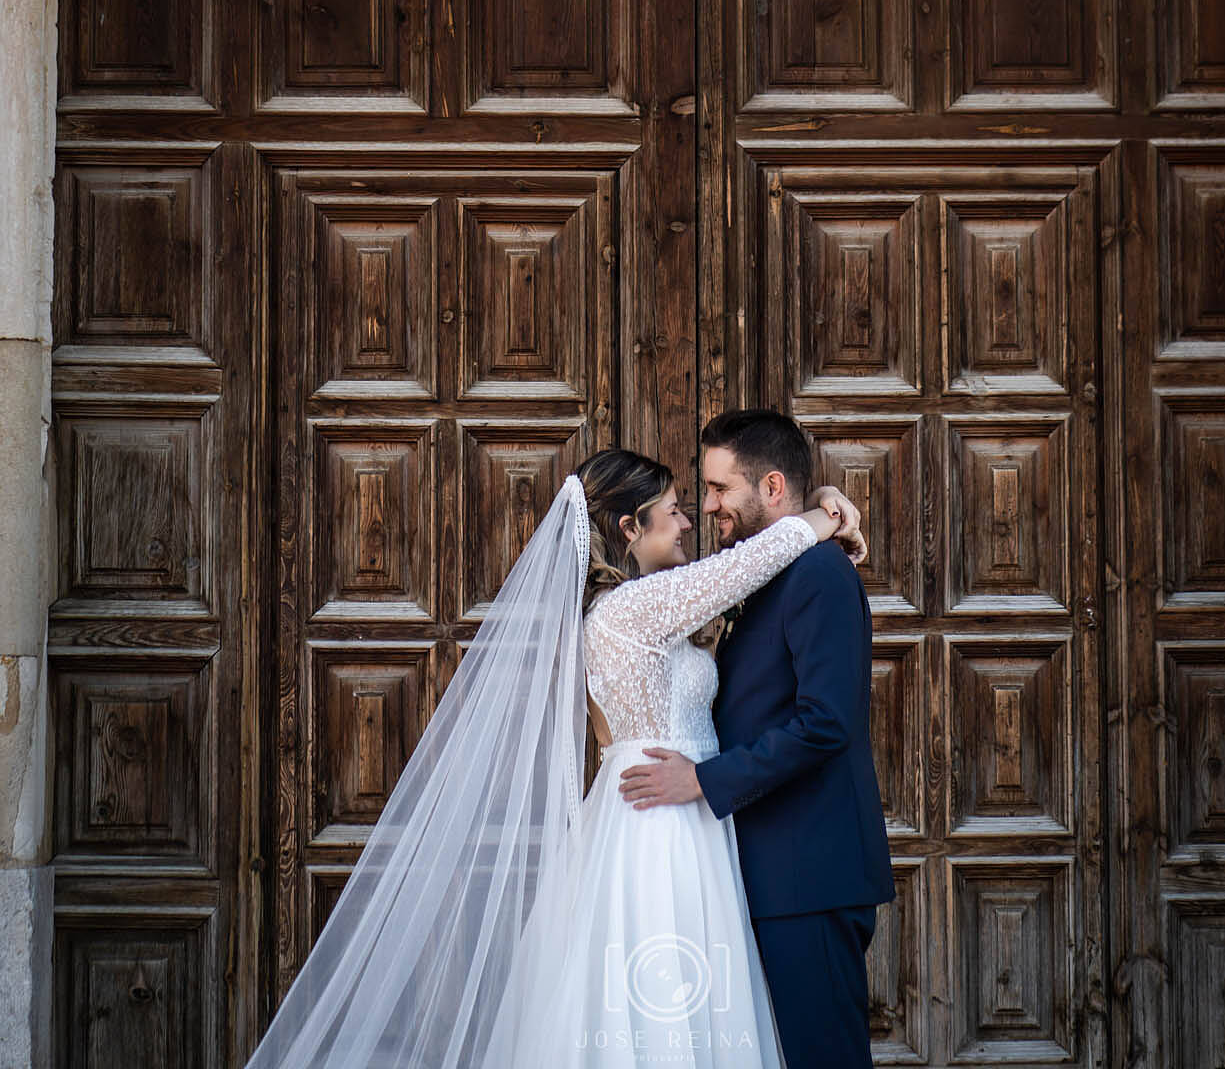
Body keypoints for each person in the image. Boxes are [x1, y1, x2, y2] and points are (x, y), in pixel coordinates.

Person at [241, 439, 867, 1068]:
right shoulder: (630, 609)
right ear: (630, 527)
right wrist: (829, 516)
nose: (688, 521)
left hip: (687, 812)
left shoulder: (653, 604)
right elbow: (750, 563)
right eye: (674, 509)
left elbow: (741, 579)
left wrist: (817, 498)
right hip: (660, 820)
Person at [617, 411, 895, 1069]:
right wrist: (828, 505)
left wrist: (703, 781)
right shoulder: (766, 572)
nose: (707, 506)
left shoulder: (820, 575)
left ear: (771, 487)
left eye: (717, 489)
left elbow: (827, 720)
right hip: (772, 871)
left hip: (810, 875)